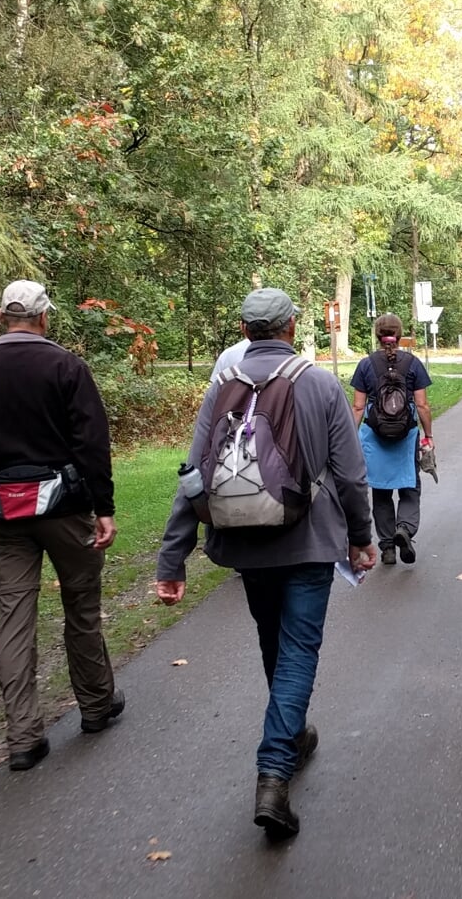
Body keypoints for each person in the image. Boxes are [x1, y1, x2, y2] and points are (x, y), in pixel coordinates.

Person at [155, 287, 377, 839]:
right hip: (307, 542)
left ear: (243, 328)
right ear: (291, 327)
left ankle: (294, 733)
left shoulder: (222, 389)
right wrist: (361, 536)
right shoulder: (320, 384)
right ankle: (274, 773)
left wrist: (172, 559)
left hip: (246, 543)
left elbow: (193, 477)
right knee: (298, 649)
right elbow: (350, 474)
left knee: (274, 643)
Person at [0, 280, 123, 773]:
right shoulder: (65, 366)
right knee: (81, 604)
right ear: (45, 317)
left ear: (1, 317)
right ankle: (96, 706)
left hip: (5, 512)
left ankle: (23, 736)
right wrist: (104, 506)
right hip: (67, 508)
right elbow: (92, 443)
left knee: (13, 613)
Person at [350, 314, 433, 566]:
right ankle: (405, 529)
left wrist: (351, 439)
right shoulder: (413, 363)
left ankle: (387, 547)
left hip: (375, 436)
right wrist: (428, 436)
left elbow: (357, 407)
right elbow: (422, 404)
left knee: (381, 492)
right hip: (405, 436)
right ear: (399, 335)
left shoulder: (365, 365)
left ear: (377, 335)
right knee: (410, 487)